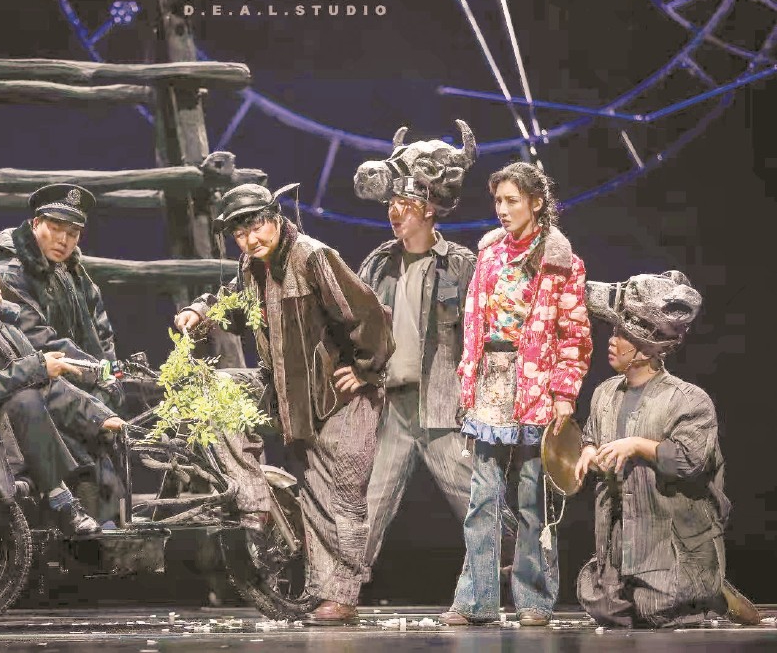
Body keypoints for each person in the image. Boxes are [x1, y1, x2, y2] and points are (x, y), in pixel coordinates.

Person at [175, 182, 395, 625]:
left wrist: (367, 370)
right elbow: (235, 306)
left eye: (256, 227)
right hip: (290, 395)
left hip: (340, 398)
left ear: (275, 218)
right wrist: (200, 311)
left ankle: (342, 597)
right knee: (213, 391)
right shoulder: (251, 266)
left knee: (342, 500)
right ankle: (253, 500)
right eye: (240, 234)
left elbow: (369, 313)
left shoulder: (313, 257)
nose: (250, 239)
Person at [355, 121, 517, 585]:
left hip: (445, 408)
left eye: (404, 204)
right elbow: (357, 328)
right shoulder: (378, 264)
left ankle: (523, 571)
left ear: (429, 208)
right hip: (391, 406)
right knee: (369, 503)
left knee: (477, 501)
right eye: (391, 204)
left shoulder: (461, 265)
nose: (394, 212)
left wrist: (486, 405)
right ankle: (341, 589)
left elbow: (486, 336)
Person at [440, 162, 592, 627]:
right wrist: (468, 377)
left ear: (536, 203)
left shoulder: (561, 261)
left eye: (512, 200)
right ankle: (477, 600)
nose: (502, 210)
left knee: (532, 497)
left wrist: (564, 393)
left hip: (537, 384)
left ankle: (533, 599)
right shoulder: (489, 253)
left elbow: (574, 334)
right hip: (492, 379)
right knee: (482, 497)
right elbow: (474, 323)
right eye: (498, 201)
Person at [575, 270, 761, 628]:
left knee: (658, 609)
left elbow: (690, 462)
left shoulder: (688, 400)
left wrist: (638, 445)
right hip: (622, 533)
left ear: (647, 347)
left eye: (623, 335)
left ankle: (710, 592)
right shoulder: (604, 394)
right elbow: (592, 436)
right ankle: (667, 588)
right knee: (601, 605)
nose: (612, 341)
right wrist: (588, 451)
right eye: (614, 332)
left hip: (666, 532)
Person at [0, 229, 129, 536]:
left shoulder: (3, 329)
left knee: (87, 443)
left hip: (8, 432)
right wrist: (36, 367)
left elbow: (47, 385)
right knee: (25, 399)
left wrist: (99, 417)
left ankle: (96, 527)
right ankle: (61, 502)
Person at [0, 184, 126, 519]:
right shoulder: (8, 272)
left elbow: (101, 330)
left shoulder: (72, 271)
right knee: (84, 465)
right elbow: (36, 338)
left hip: (75, 379)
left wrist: (109, 373)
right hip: (31, 384)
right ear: (36, 224)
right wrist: (97, 374)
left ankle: (102, 528)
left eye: (73, 233)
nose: (64, 240)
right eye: (56, 228)